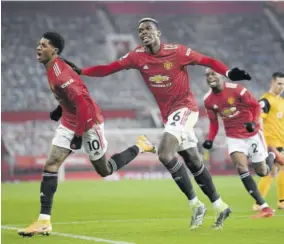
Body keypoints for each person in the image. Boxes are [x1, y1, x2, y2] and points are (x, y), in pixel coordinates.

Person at [65, 17, 252, 229]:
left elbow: (207, 60)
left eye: (148, 29)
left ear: (158, 32)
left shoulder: (178, 52)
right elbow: (109, 68)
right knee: (192, 160)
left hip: (185, 109)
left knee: (164, 154)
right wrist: (81, 71)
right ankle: (220, 205)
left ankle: (196, 205)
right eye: (140, 30)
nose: (143, 32)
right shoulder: (137, 56)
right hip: (169, 116)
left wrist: (227, 72)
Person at [17, 32, 156, 237]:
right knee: (51, 164)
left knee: (105, 170)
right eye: (39, 44)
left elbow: (82, 103)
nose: (39, 48)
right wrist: (60, 109)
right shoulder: (53, 66)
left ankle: (141, 146)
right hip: (69, 120)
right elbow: (70, 97)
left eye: (44, 45)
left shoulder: (60, 74)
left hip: (89, 123)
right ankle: (44, 221)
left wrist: (79, 135)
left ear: (54, 51)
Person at [202, 68, 284, 219]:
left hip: (252, 134)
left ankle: (271, 154)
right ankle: (264, 206)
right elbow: (214, 122)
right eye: (207, 75)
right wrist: (210, 139)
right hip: (234, 137)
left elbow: (255, 106)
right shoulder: (208, 100)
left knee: (262, 172)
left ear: (221, 75)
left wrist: (253, 123)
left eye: (213, 73)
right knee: (241, 167)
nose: (210, 77)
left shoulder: (237, 89)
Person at [252, 72, 284, 211]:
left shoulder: (281, 101)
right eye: (279, 83)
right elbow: (258, 118)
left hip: (281, 141)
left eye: (283, 84)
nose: (281, 86)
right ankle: (259, 203)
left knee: (275, 171)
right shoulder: (265, 101)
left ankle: (279, 202)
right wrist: (263, 142)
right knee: (272, 171)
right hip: (271, 142)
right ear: (272, 82)